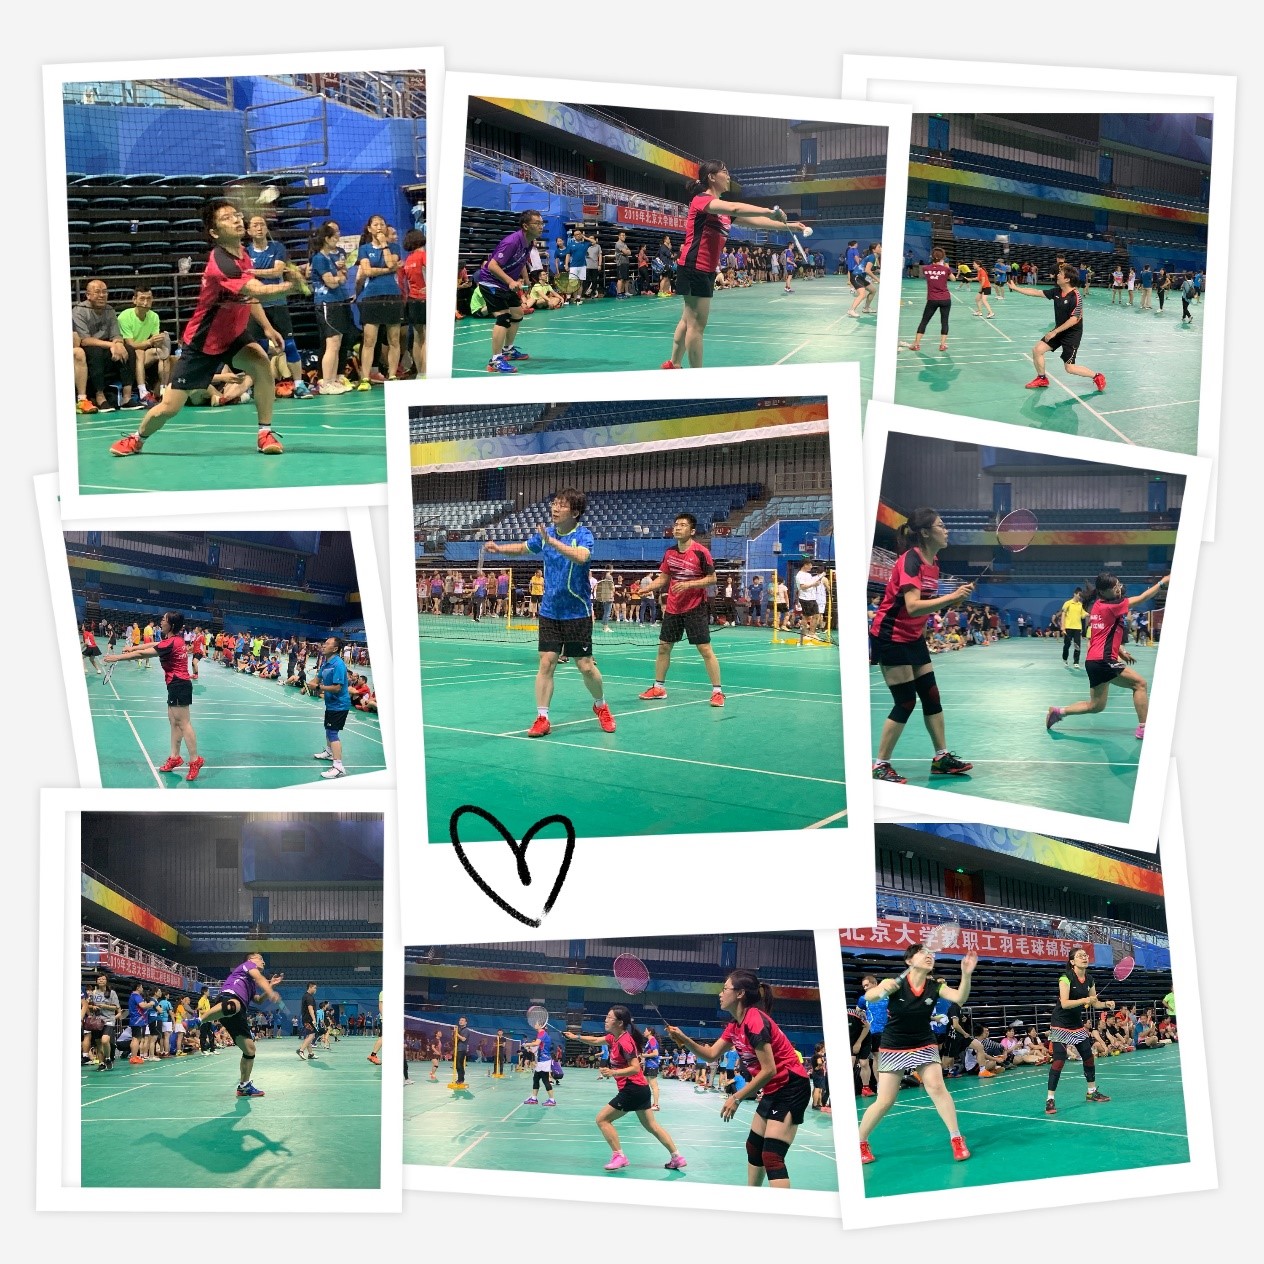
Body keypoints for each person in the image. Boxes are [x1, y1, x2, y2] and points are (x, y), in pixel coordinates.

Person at [108, 200, 305, 458]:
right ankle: (137, 439)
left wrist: (267, 327)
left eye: (236, 215)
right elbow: (256, 290)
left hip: (234, 336)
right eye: (226, 218)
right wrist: (291, 287)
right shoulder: (221, 263)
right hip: (203, 343)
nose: (236, 219)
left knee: (261, 364)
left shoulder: (242, 253)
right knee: (169, 407)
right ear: (214, 232)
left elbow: (248, 296)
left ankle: (264, 432)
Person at [485, 488, 614, 736]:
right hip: (550, 611)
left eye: (562, 505)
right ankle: (542, 718)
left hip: (577, 612)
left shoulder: (583, 535)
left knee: (586, 666)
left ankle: (600, 705)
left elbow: (581, 557)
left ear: (574, 512)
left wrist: (552, 541)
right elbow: (523, 548)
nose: (555, 508)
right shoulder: (546, 535)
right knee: (546, 663)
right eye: (554, 503)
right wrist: (500, 549)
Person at [666, 969, 811, 1187]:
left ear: (740, 993)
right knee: (754, 1147)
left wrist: (736, 1097)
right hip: (774, 1088)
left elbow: (769, 1069)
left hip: (791, 1086)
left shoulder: (755, 1021)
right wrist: (684, 1039)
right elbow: (711, 1054)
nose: (720, 994)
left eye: (725, 989)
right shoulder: (734, 1026)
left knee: (772, 1155)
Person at [661, 159, 806, 369]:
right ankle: (695, 377)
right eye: (724, 172)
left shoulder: (723, 212)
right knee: (696, 325)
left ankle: (673, 364)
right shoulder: (702, 200)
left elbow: (757, 222)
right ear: (711, 177)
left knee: (688, 319)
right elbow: (735, 207)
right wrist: (769, 210)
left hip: (704, 268)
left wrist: (790, 225)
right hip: (695, 266)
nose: (728, 176)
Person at [869, 509, 975, 783]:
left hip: (914, 637)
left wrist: (953, 601)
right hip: (891, 636)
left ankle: (941, 758)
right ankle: (880, 765)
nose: (946, 530)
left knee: (931, 696)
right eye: (941, 525)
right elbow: (913, 606)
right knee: (905, 701)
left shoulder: (933, 562)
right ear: (926, 532)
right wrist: (951, 596)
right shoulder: (911, 560)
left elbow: (924, 606)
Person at [857, 944, 978, 1164]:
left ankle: (956, 1138)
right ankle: (860, 1141)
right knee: (885, 1101)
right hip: (894, 1044)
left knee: (937, 1087)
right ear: (909, 961)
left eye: (931, 954)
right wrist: (882, 988)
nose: (929, 956)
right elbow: (870, 996)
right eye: (923, 953)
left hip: (923, 1042)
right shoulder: (895, 983)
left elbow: (960, 997)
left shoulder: (935, 986)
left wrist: (966, 974)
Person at [1046, 572, 1169, 740]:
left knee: (1096, 706)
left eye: (1118, 584)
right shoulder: (1113, 606)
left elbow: (1103, 635)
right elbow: (1142, 598)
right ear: (1103, 592)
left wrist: (1120, 652)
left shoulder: (1098, 605)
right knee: (1140, 684)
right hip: (1104, 660)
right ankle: (1143, 728)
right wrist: (1162, 583)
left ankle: (1058, 712)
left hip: (1093, 661)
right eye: (1113, 587)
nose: (1117, 589)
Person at [569, 1008, 687, 1171]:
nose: (605, 1020)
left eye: (609, 1017)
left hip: (632, 1089)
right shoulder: (613, 1037)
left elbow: (635, 1067)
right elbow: (596, 1040)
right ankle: (677, 1157)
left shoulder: (625, 1041)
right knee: (652, 1126)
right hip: (641, 1089)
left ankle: (619, 1156)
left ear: (619, 1023)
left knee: (602, 1119)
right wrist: (576, 1037)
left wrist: (613, 1072)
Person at [102, 610, 203, 781]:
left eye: (164, 620)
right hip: (175, 685)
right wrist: (133, 647)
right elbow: (154, 644)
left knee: (184, 723)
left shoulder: (170, 643)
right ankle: (175, 757)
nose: (161, 622)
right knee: (174, 721)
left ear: (171, 624)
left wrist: (117, 657)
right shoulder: (175, 640)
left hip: (179, 685)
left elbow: (143, 654)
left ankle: (195, 760)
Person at [636, 512, 725, 707]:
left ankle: (718, 692)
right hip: (674, 608)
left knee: (705, 649)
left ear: (692, 531)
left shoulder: (701, 552)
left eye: (682, 525)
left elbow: (712, 579)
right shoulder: (670, 553)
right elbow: (664, 578)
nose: (677, 527)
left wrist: (689, 584)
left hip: (695, 607)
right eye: (676, 524)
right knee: (664, 647)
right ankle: (658, 687)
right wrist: (648, 588)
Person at [1006, 264, 1107, 394]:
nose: (1057, 275)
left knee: (1069, 368)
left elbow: (1074, 319)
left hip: (1071, 334)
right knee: (1037, 350)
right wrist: (1016, 288)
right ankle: (1042, 378)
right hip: (1059, 330)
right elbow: (1036, 292)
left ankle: (1097, 376)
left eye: (1060, 273)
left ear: (1067, 279)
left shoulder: (1075, 296)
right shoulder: (1057, 291)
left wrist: (1054, 332)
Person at [244, 215, 313, 398]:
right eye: (255, 225)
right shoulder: (245, 252)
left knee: (289, 345)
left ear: (267, 229)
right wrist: (254, 274)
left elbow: (277, 271)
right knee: (258, 348)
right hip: (256, 306)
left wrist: (254, 271)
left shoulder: (278, 248)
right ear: (249, 231)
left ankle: (299, 385)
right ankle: (258, 385)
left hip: (278, 304)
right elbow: (245, 277)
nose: (259, 228)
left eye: (262, 224)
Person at [198, 954, 285, 1096]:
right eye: (260, 958)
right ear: (251, 960)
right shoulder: (247, 966)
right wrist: (271, 992)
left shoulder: (250, 983)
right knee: (235, 1005)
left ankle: (244, 1086)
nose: (263, 961)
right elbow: (260, 978)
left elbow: (258, 1000)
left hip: (238, 1014)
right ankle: (198, 1020)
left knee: (250, 1050)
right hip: (229, 999)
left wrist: (270, 986)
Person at [1045, 947, 1115, 1114]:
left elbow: (1094, 1003)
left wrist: (1105, 1004)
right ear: (1072, 961)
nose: (1084, 957)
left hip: (1076, 1024)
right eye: (1080, 956)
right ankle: (1050, 1099)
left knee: (1088, 1057)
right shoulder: (1066, 978)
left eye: (1085, 955)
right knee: (1059, 1060)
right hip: (1060, 1023)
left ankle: (1091, 1092)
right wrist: (1085, 999)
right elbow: (1065, 1003)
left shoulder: (1090, 979)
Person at [477, 210, 544, 373]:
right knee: (503, 317)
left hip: (505, 283)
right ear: (525, 226)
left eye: (542, 223)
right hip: (491, 282)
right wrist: (510, 281)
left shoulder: (529, 242)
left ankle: (508, 350)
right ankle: (495, 360)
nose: (541, 226)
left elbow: (521, 262)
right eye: (537, 223)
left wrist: (526, 279)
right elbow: (492, 266)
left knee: (517, 314)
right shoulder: (512, 242)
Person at [355, 215, 402, 387]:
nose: (380, 227)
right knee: (369, 340)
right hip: (371, 297)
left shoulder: (394, 247)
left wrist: (384, 245)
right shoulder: (364, 249)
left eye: (382, 224)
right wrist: (388, 270)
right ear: (369, 229)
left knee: (394, 339)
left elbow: (391, 263)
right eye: (376, 224)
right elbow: (367, 271)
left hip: (392, 295)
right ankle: (365, 378)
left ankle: (392, 375)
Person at [72, 278, 129, 412]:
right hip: (90, 347)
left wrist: (118, 344)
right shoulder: (80, 310)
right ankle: (100, 396)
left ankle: (127, 397)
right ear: (88, 295)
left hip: (106, 346)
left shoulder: (109, 310)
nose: (102, 295)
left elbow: (116, 334)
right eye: (97, 292)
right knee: (95, 352)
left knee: (128, 350)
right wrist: (111, 345)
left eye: (104, 292)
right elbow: (84, 340)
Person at [117, 285, 171, 407]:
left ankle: (163, 390)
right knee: (139, 352)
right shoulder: (124, 317)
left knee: (163, 353)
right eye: (142, 299)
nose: (145, 303)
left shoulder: (154, 316)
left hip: (143, 355)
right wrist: (150, 342)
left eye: (149, 299)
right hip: (127, 358)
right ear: (134, 300)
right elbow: (130, 344)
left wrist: (161, 340)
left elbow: (155, 343)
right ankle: (143, 393)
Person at [312, 634, 353, 776]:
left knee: (332, 732)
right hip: (331, 704)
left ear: (335, 649)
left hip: (340, 705)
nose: (324, 645)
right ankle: (329, 752)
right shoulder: (326, 663)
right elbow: (317, 679)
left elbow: (337, 688)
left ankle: (338, 767)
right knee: (328, 728)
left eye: (328, 643)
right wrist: (309, 686)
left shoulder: (338, 665)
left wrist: (318, 687)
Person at [906, 246, 953, 352]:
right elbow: (953, 279)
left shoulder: (926, 269)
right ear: (942, 258)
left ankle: (916, 344)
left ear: (932, 257)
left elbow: (931, 274)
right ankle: (942, 345)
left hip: (932, 299)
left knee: (924, 321)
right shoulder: (946, 269)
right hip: (945, 299)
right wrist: (947, 267)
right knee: (944, 321)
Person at [397, 228, 427, 378]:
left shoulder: (407, 260)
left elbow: (402, 283)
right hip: (425, 299)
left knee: (417, 338)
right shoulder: (424, 256)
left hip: (412, 300)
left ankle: (420, 374)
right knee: (427, 338)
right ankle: (426, 372)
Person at [523, 1017, 557, 1106]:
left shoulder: (542, 1033)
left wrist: (527, 1044)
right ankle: (534, 1098)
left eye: (536, 1023)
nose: (535, 1025)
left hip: (544, 1060)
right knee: (536, 1078)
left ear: (541, 1025)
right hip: (542, 1060)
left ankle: (552, 1100)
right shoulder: (543, 1033)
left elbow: (536, 1043)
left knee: (545, 1080)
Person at [794, 560, 829, 645]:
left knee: (816, 615)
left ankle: (812, 634)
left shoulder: (808, 574)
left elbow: (812, 582)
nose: (811, 567)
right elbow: (802, 587)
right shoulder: (799, 575)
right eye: (809, 565)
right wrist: (814, 584)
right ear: (805, 565)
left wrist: (820, 577)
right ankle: (804, 634)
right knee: (806, 617)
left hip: (812, 598)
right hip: (805, 598)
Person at [1059, 587, 1086, 668]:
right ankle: (1065, 659)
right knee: (1067, 645)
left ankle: (1076, 662)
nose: (1080, 597)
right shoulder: (1067, 603)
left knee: (1077, 646)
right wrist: (1063, 626)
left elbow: (1083, 615)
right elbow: (1063, 614)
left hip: (1077, 628)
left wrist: (1091, 613)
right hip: (1068, 627)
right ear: (1075, 594)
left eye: (1081, 595)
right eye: (1079, 595)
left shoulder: (1080, 604)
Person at [296, 982, 320, 1061]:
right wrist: (314, 1019)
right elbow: (310, 1009)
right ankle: (301, 1050)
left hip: (306, 1019)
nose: (316, 990)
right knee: (312, 1035)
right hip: (308, 1020)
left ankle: (310, 1054)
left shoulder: (305, 996)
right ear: (310, 987)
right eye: (315, 988)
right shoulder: (309, 997)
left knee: (308, 1036)